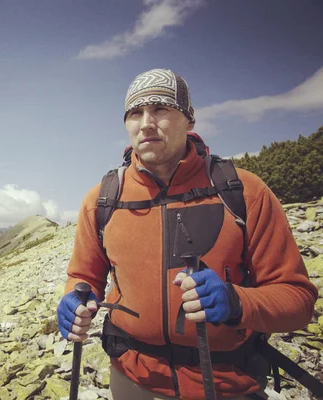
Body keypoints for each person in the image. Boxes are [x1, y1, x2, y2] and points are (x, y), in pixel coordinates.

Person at [57, 69, 318, 399]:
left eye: (161, 109)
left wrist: (236, 301)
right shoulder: (103, 200)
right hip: (132, 380)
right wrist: (75, 296)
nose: (146, 123)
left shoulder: (243, 192)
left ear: (189, 119)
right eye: (135, 113)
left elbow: (298, 301)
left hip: (226, 384)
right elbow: (83, 275)